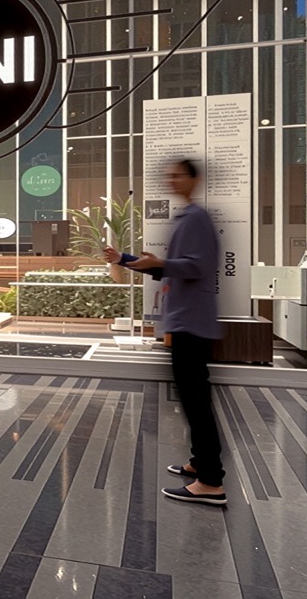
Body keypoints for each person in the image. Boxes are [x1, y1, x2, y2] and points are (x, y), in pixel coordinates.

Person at [109, 157, 225, 506]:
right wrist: (124, 258)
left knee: (196, 401)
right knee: (192, 398)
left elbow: (198, 266)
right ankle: (200, 464)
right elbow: (172, 269)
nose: (171, 181)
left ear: (194, 179)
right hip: (187, 320)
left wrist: (159, 262)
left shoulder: (197, 217)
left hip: (191, 321)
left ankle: (211, 482)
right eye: (169, 176)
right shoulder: (189, 216)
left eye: (177, 175)